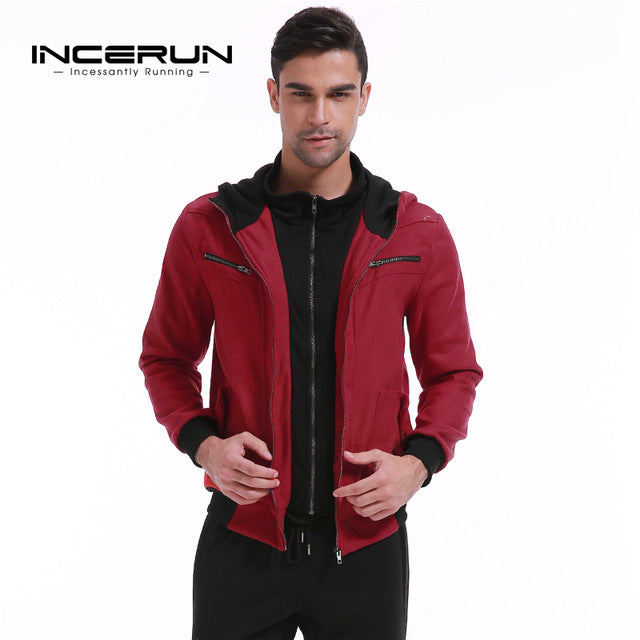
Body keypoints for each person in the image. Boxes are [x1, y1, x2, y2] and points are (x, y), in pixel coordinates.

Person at [139, 6, 482, 639]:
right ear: (274, 95)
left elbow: (454, 371)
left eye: (338, 94)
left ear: (364, 98)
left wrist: (417, 465)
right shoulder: (210, 226)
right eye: (301, 94)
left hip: (367, 543)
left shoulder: (415, 231)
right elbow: (165, 358)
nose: (319, 115)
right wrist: (205, 447)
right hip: (244, 536)